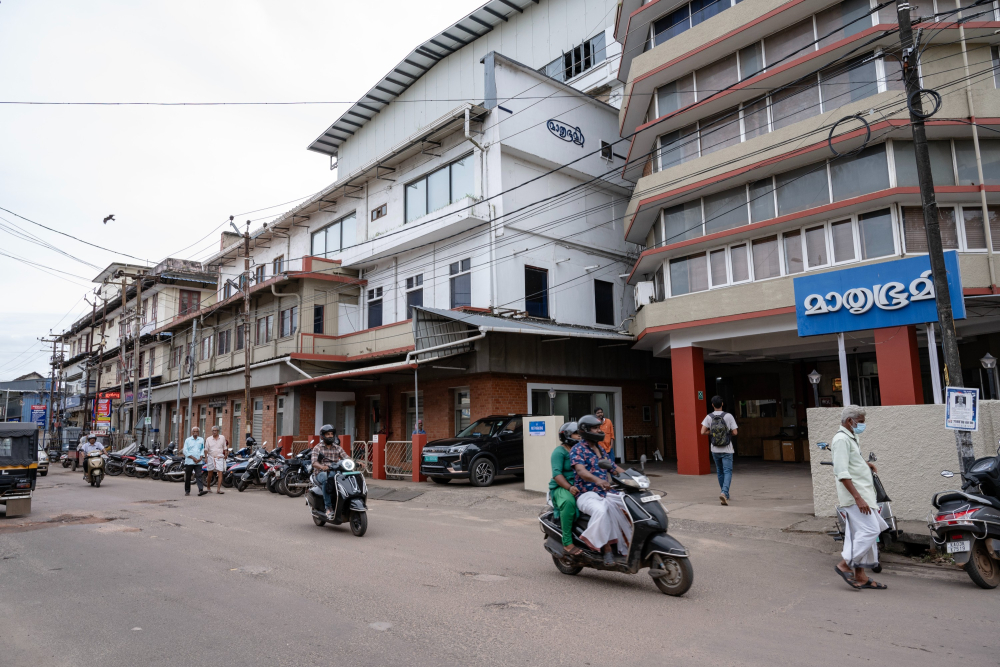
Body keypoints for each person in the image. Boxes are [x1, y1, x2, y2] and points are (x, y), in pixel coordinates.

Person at [832, 405, 888, 590]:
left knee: (861, 534)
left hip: (864, 494)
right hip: (856, 497)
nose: (863, 425)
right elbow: (842, 472)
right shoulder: (841, 439)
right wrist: (858, 498)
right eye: (861, 422)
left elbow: (851, 461)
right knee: (872, 529)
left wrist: (865, 464)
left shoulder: (852, 437)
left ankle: (861, 575)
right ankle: (845, 564)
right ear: (850, 421)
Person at [570, 415, 633, 565]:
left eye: (599, 427)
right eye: (596, 428)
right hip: (587, 494)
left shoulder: (600, 449)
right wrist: (598, 480)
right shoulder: (577, 449)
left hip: (606, 493)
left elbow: (613, 467)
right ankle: (606, 550)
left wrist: (631, 477)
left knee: (630, 506)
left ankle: (628, 543)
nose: (600, 430)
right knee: (601, 510)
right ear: (585, 430)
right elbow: (581, 471)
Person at [550, 421, 582, 556]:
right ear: (567, 435)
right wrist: (569, 488)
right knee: (569, 503)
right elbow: (557, 474)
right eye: (576, 433)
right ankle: (567, 542)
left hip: (580, 485)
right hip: (562, 487)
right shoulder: (559, 452)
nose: (579, 436)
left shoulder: (580, 450)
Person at [701, 395, 738, 505]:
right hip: (727, 449)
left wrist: (712, 432)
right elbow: (735, 432)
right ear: (722, 404)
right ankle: (724, 493)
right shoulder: (728, 416)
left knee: (720, 471)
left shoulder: (709, 417)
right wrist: (726, 433)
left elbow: (702, 432)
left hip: (715, 449)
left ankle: (725, 493)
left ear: (712, 405)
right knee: (727, 471)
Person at [311, 424, 349, 521]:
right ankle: (328, 507)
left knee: (348, 477)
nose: (330, 436)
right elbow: (314, 462)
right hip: (321, 473)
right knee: (326, 478)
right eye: (327, 434)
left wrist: (355, 462)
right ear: (323, 436)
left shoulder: (337, 448)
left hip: (335, 472)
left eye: (331, 434)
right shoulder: (317, 447)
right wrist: (322, 467)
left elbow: (346, 457)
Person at [182, 426, 208, 497]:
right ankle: (187, 491)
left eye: (197, 431)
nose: (195, 433)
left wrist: (201, 457)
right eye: (194, 431)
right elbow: (185, 451)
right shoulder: (188, 440)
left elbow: (202, 449)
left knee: (199, 476)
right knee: (188, 476)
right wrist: (193, 458)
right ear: (192, 432)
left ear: (198, 432)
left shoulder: (201, 439)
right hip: (190, 461)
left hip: (198, 462)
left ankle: (201, 490)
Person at [204, 425, 228, 494]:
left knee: (220, 472)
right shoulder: (208, 439)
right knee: (210, 474)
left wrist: (226, 454)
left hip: (219, 457)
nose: (214, 432)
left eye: (216, 430)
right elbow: (206, 449)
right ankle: (208, 487)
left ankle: (218, 489)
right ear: (211, 432)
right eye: (213, 431)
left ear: (218, 431)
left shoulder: (222, 437)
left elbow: (225, 447)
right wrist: (205, 457)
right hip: (211, 457)